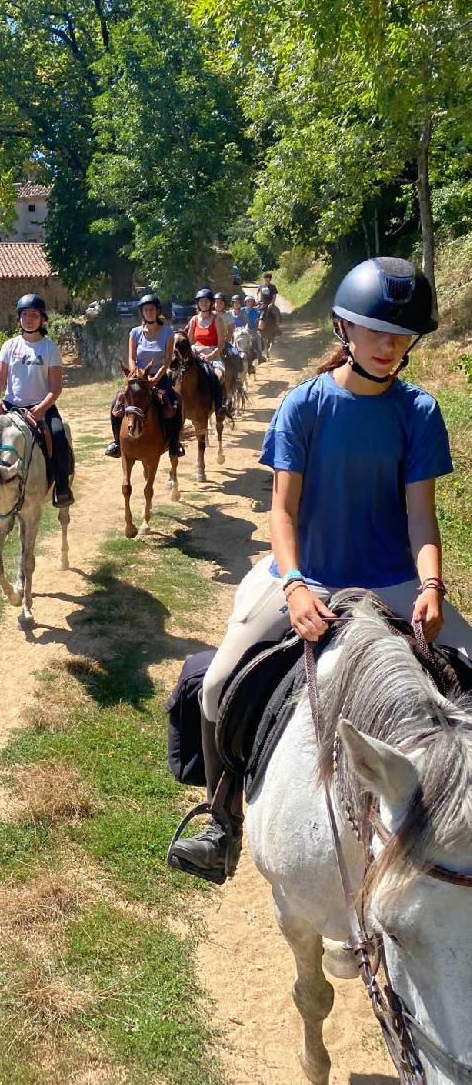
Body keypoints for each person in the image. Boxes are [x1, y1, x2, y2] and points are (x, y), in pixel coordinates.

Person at [166, 256, 472, 885]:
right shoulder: (303, 405)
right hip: (313, 575)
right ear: (344, 330)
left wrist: (433, 587)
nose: (390, 345)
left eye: (401, 334)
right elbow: (282, 512)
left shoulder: (418, 411)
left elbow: (420, 516)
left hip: (396, 578)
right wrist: (297, 585)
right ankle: (222, 823)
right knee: (221, 679)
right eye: (376, 330)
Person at [0, 294, 74, 507]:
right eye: (25, 315)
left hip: (41, 406)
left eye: (34, 315)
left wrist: (42, 408)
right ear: (19, 319)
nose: (29, 319)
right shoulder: (9, 346)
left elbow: (56, 386)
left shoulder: (49, 348)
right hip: (10, 405)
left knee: (59, 435)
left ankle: (61, 487)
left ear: (43, 319)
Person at [105, 293, 183, 458]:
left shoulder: (168, 333)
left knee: (175, 402)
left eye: (151, 309)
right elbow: (132, 357)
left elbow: (167, 361)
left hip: (158, 377)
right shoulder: (135, 333)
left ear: (157, 311)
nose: (149, 312)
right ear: (142, 312)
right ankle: (117, 443)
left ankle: (174, 443)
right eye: (145, 309)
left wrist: (154, 379)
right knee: (116, 404)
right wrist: (137, 375)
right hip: (137, 379)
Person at [185, 288, 227, 414]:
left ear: (211, 303)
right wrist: (192, 353)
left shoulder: (217, 319)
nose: (204, 303)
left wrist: (210, 356)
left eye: (207, 301)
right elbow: (189, 341)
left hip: (213, 354)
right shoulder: (194, 320)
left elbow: (221, 345)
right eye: (201, 301)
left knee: (218, 375)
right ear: (198, 303)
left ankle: (219, 406)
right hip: (196, 353)